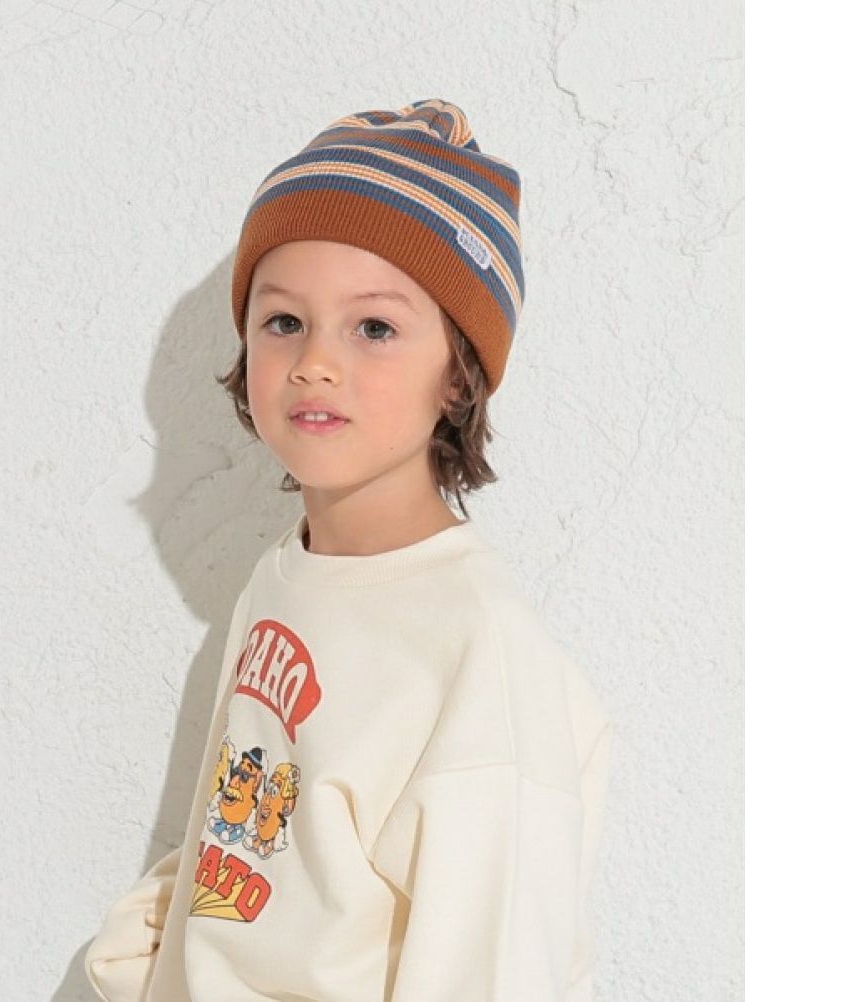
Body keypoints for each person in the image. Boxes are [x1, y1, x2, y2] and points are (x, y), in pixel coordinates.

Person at [84, 98, 613, 1002]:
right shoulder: (288, 573)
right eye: (284, 321)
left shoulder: (478, 657)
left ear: (459, 374)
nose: (315, 363)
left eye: (374, 328)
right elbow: (250, 846)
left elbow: (492, 969)